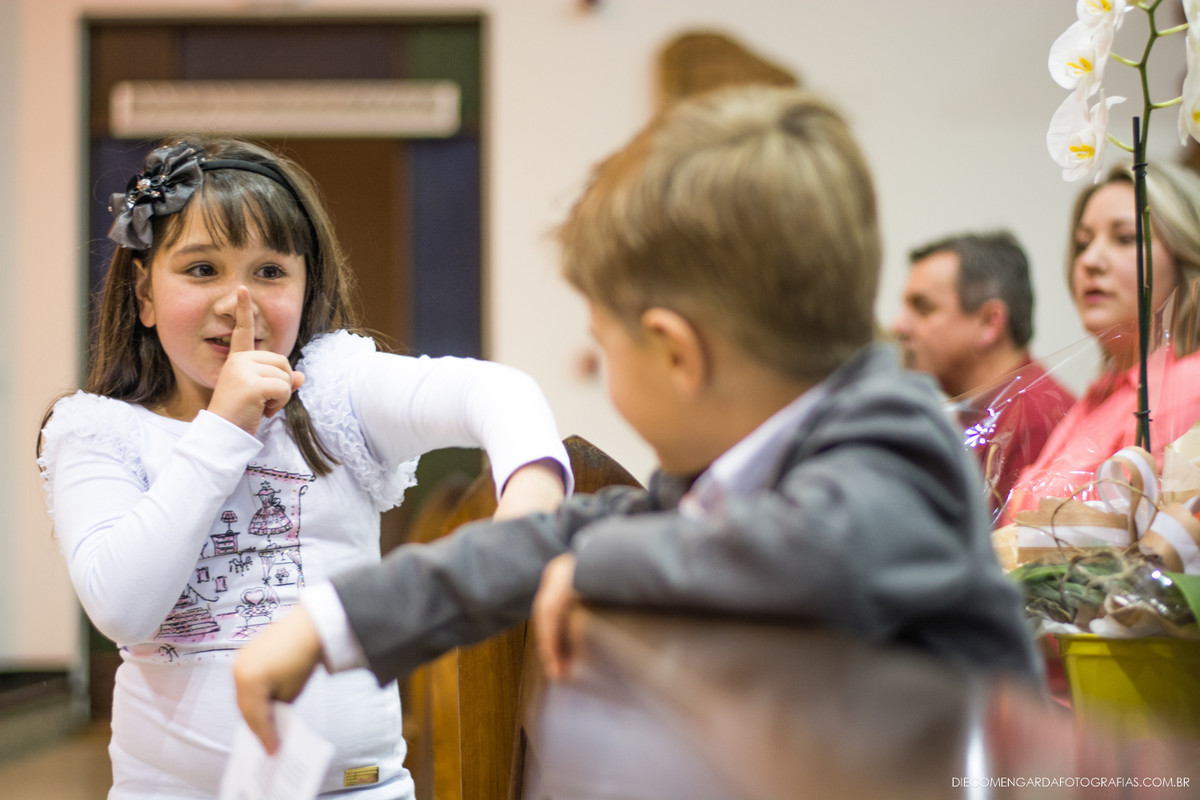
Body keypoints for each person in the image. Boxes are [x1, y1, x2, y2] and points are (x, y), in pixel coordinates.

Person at [233, 86, 1042, 755]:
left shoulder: (894, 439)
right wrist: (333, 622)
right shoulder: (715, 478)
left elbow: (804, 556)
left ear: (675, 354)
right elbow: (552, 541)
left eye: (602, 344)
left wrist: (592, 569)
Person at [37, 136, 573, 800]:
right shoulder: (99, 430)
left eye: (269, 272)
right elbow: (122, 607)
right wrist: (223, 430)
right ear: (145, 294)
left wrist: (531, 504)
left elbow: (498, 393)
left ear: (306, 286)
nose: (239, 302)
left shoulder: (332, 391)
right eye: (202, 269)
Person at [1003, 162, 1200, 521]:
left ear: (1185, 254)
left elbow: (1136, 553)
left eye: (1125, 238)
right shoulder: (1103, 392)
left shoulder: (1185, 387)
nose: (1090, 261)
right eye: (1083, 243)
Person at [891, 232, 1074, 517]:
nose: (899, 326)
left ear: (990, 323)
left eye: (923, 308)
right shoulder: (985, 413)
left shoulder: (1034, 420)